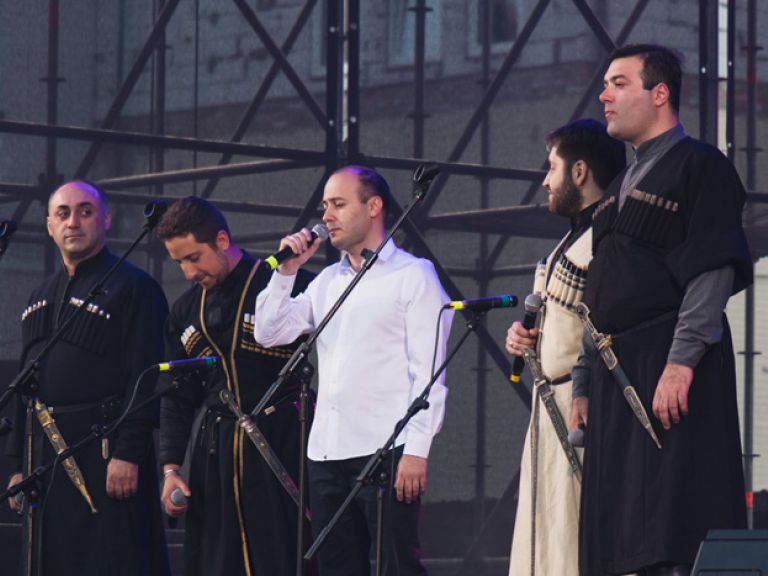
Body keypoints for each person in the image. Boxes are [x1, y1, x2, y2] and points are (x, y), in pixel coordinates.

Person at [576, 44, 753, 576]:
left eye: (619, 83)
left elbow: (711, 269)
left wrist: (682, 361)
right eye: (605, 84)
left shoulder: (700, 166)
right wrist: (584, 382)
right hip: (615, 376)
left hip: (669, 364)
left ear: (660, 94)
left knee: (672, 528)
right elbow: (597, 298)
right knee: (616, 536)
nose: (604, 96)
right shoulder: (613, 194)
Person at [254, 165, 452, 575]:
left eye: (339, 205)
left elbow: (429, 373)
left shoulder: (413, 276)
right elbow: (269, 332)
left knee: (397, 565)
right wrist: (284, 273)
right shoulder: (327, 281)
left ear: (374, 206)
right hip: (326, 452)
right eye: (325, 206)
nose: (326, 216)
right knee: (337, 567)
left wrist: (416, 450)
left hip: (387, 450)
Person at [5, 181, 170, 576]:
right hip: (45, 456)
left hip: (106, 449)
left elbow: (147, 377)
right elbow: (24, 382)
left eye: (85, 211)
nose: (73, 222)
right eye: (63, 213)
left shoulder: (135, 287)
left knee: (113, 559)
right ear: (49, 225)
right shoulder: (39, 294)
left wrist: (129, 452)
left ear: (106, 219)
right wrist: (16, 462)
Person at [156, 196, 314, 576]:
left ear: (222, 241)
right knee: (218, 559)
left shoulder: (281, 281)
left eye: (193, 257)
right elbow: (177, 396)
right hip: (217, 452)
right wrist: (170, 468)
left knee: (286, 552)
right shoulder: (183, 311)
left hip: (284, 439)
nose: (188, 272)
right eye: (179, 262)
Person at [505, 119, 626, 576]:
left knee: (570, 534)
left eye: (552, 168)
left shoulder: (606, 240)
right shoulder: (569, 241)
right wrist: (524, 340)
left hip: (580, 409)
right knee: (545, 533)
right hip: (547, 402)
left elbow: (602, 327)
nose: (545, 180)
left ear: (580, 172)